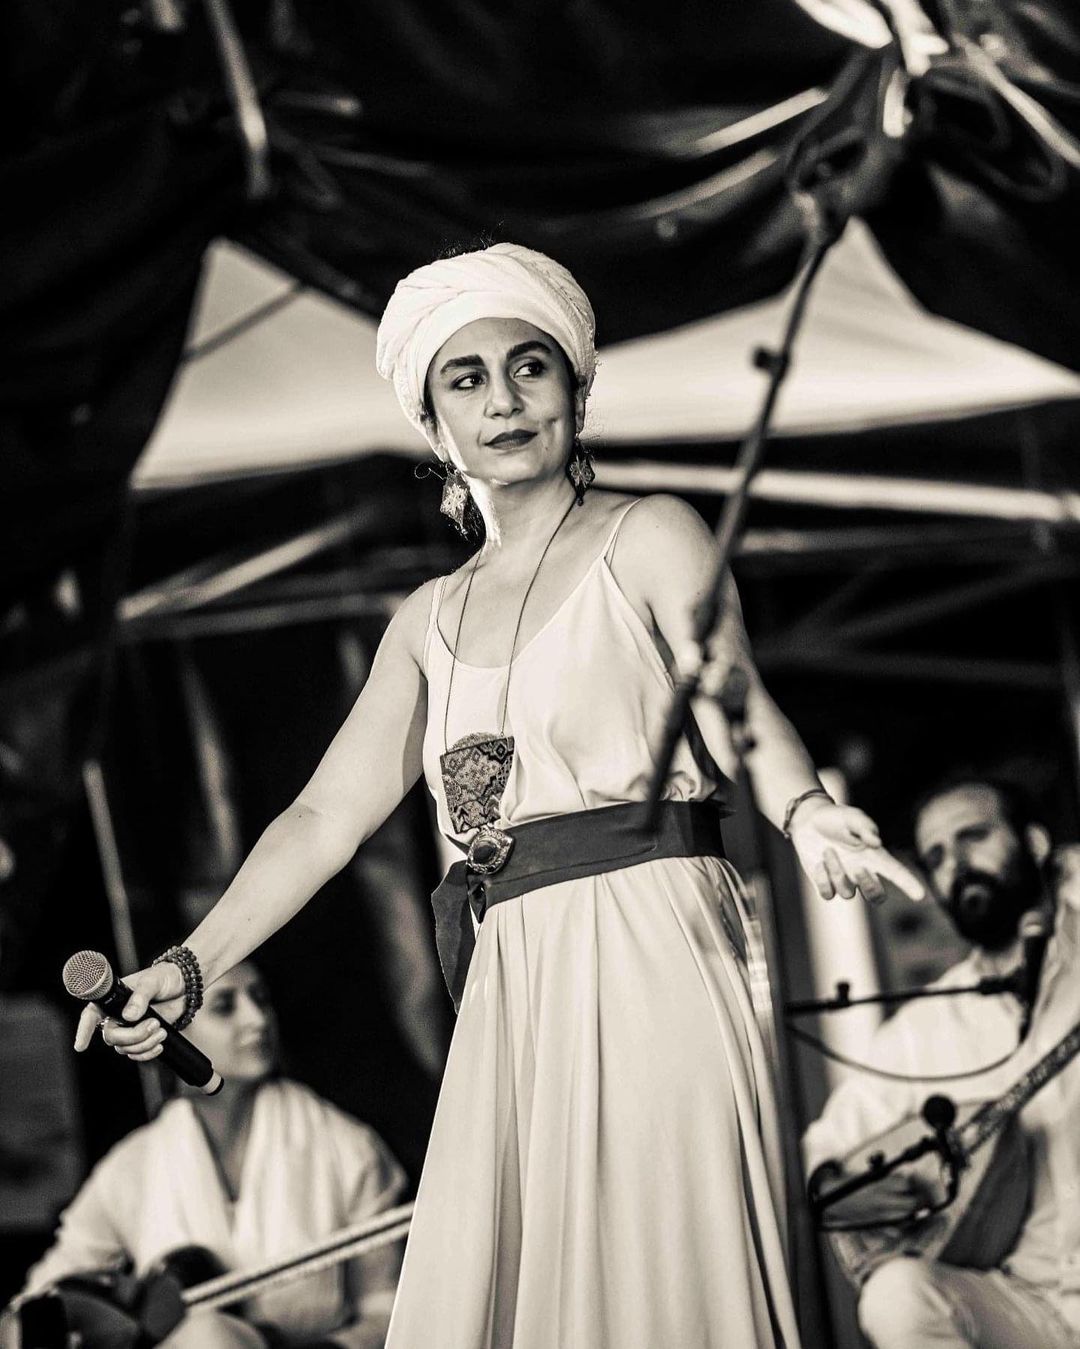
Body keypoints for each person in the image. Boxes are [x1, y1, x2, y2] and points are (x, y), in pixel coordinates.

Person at [75, 243, 921, 1349]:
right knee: (509, 1287)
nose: (504, 400)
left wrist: (806, 810)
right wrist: (189, 967)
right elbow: (323, 819)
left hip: (652, 935)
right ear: (434, 426)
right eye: (466, 380)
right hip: (514, 967)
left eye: (531, 366)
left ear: (577, 390)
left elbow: (737, 702)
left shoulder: (648, 533)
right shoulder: (425, 619)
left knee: (662, 1260)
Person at [803, 777, 1080, 1349]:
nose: (956, 863)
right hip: (1032, 1307)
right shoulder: (924, 1027)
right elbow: (826, 1150)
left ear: (1034, 843)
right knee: (896, 1295)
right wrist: (840, 1188)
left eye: (973, 836)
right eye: (936, 857)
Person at [16, 961, 406, 1348]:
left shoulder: (346, 1146)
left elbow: (386, 1310)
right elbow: (34, 1308)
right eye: (224, 1006)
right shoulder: (131, 1167)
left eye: (261, 999)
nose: (257, 1020)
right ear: (166, 1027)